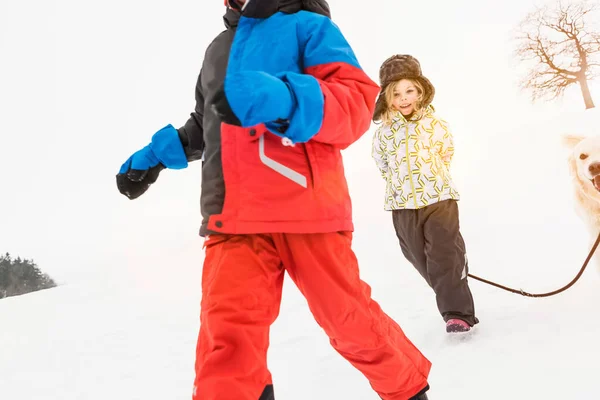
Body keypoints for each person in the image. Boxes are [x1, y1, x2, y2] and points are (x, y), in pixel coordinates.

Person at [116, 1, 432, 399]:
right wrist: (157, 155)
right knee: (226, 337)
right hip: (234, 218)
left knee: (348, 319)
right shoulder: (218, 48)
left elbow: (354, 103)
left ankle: (408, 391)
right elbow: (207, 121)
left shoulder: (308, 27)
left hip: (308, 210)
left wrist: (282, 96)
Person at [371, 54, 479, 334]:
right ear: (387, 98)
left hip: (438, 199)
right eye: (396, 94)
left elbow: (446, 153)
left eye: (409, 91)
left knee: (443, 257)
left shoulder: (435, 124)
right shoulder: (383, 134)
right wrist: (401, 185)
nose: (404, 98)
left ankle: (458, 314)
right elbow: (382, 164)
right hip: (402, 204)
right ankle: (453, 278)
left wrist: (431, 179)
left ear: (420, 92)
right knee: (418, 257)